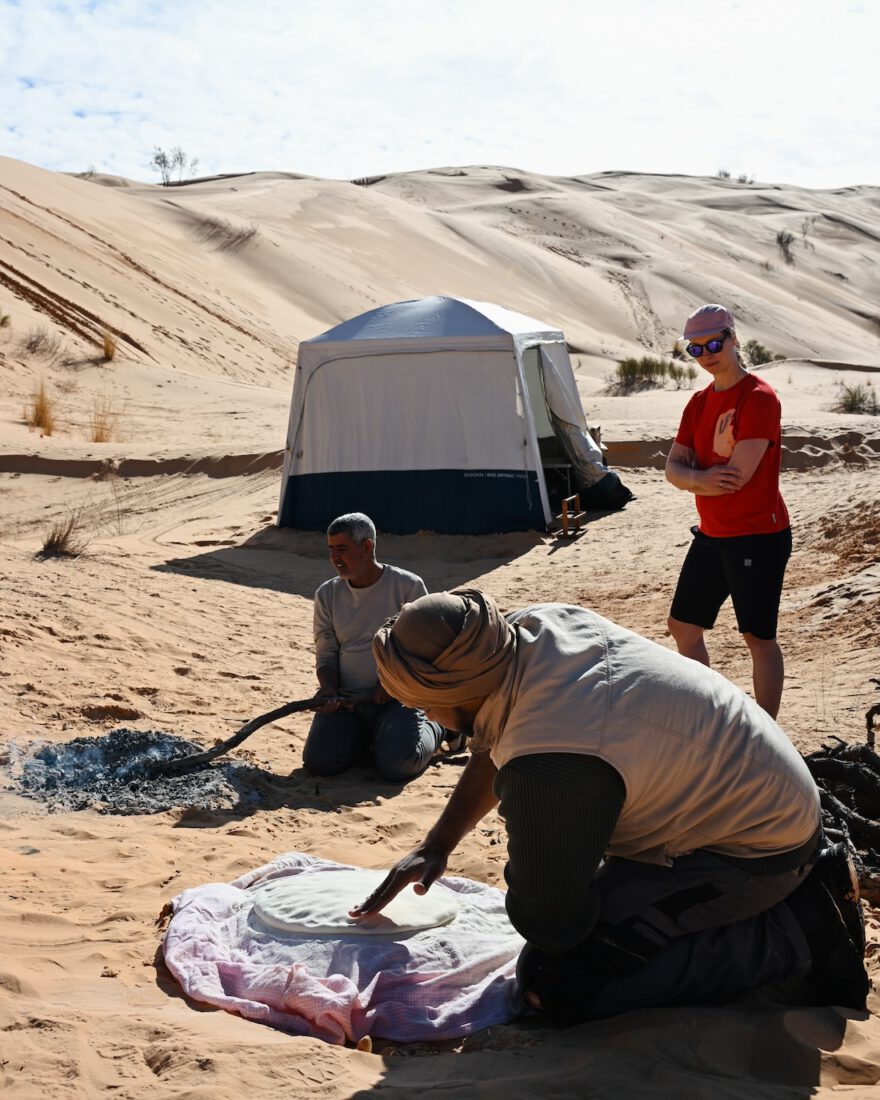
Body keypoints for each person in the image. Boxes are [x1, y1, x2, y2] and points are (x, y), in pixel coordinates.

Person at [350, 589, 869, 1021]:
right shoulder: (529, 630)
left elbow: (552, 923)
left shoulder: (552, 762)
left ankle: (796, 931)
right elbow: (496, 735)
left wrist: (569, 882)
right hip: (757, 791)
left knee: (555, 982)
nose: (428, 717)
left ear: (459, 686)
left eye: (424, 704)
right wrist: (439, 843)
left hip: (755, 851)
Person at [665, 303, 792, 718]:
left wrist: (693, 475)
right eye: (695, 348)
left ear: (733, 339)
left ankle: (766, 734)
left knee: (757, 637)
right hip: (712, 532)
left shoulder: (759, 398)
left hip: (758, 533)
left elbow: (735, 477)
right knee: (683, 626)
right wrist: (700, 478)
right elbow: (672, 469)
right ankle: (708, 717)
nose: (707, 354)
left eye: (714, 343)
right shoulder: (698, 403)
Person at [302, 512, 443, 782]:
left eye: (342, 549)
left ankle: (438, 728)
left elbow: (425, 649)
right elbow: (326, 650)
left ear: (367, 547)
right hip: (347, 699)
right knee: (320, 763)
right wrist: (329, 688)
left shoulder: (408, 587)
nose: (335, 558)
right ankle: (374, 739)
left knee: (398, 766)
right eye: (331, 550)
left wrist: (392, 686)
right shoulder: (327, 593)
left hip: (400, 698)